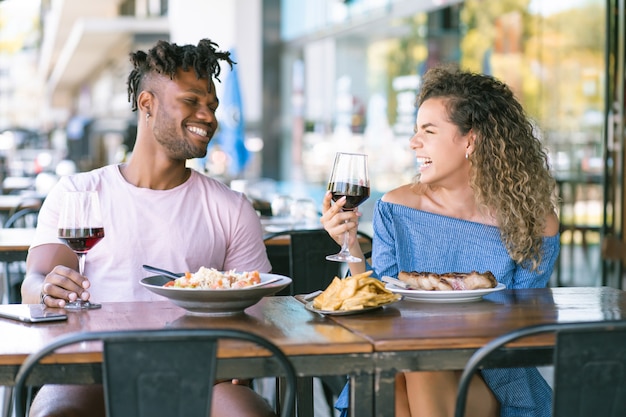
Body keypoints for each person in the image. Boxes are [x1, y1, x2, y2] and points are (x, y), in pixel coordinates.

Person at [21, 39, 275, 417]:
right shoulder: (79, 191)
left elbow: (261, 310)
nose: (208, 116)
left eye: (212, 106)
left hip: (201, 373)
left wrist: (240, 359)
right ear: (147, 105)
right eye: (192, 101)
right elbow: (34, 281)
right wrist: (46, 288)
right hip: (91, 367)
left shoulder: (232, 208)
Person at [321, 64, 560, 417]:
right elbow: (379, 302)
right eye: (416, 130)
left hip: (493, 373)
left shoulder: (534, 222)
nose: (414, 142)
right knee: (401, 373)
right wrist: (351, 244)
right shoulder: (397, 207)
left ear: (470, 140)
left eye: (428, 131)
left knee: (417, 366)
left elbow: (522, 324)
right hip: (403, 359)